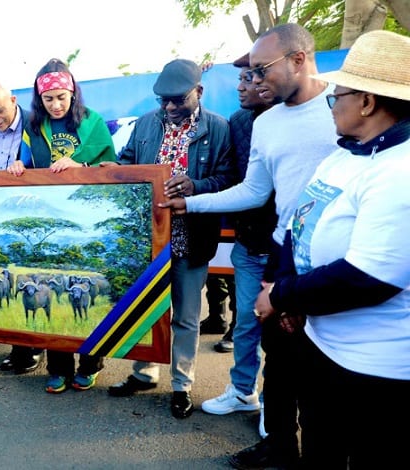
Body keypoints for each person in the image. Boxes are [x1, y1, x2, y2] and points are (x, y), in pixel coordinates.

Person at [159, 24, 339, 467]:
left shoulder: (345, 104)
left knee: (327, 365)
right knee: (279, 354)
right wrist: (191, 203)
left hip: (339, 258)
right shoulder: (269, 122)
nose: (254, 81)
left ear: (299, 59)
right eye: (252, 73)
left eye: (262, 71)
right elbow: (254, 191)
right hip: (285, 254)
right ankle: (278, 442)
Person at [254, 29, 410, 469]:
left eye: (336, 96)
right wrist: (287, 290)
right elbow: (295, 227)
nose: (331, 104)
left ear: (366, 102)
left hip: (374, 372)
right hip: (322, 347)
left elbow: (368, 278)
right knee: (319, 450)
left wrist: (281, 297)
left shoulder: (400, 171)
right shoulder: (345, 155)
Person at [106, 58, 236, 419]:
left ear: (199, 92)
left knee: (186, 317)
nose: (169, 107)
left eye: (177, 100)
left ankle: (182, 385)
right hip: (148, 239)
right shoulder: (147, 123)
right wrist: (115, 171)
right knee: (145, 310)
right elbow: (129, 160)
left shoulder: (219, 128)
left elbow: (227, 179)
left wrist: (195, 188)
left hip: (191, 238)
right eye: (163, 100)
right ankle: (143, 374)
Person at [8, 58, 116, 393]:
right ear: (39, 100)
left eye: (61, 97)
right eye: (48, 99)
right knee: (54, 286)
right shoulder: (32, 127)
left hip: (87, 221)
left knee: (86, 289)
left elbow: (113, 167)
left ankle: (91, 363)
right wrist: (17, 166)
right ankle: (57, 367)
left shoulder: (93, 122)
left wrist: (81, 163)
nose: (55, 105)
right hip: (50, 214)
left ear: (73, 93)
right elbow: (26, 161)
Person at [200, 53, 276, 439]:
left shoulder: (304, 119)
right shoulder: (239, 122)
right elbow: (236, 181)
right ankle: (244, 391)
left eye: (251, 77)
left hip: (290, 249)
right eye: (242, 77)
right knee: (246, 321)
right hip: (249, 242)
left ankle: (277, 407)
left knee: (282, 330)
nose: (241, 85)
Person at [0, 80, 44, 375]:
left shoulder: (35, 124)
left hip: (31, 212)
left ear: (14, 101)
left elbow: (46, 165)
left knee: (26, 280)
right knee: (9, 277)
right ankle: (20, 346)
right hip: (1, 217)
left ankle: (33, 348)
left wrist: (26, 170)